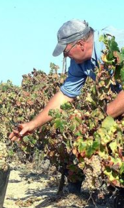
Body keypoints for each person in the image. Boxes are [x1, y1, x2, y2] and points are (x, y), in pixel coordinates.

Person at [9, 19, 124, 193]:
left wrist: (99, 121)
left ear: (80, 44)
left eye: (66, 51)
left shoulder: (116, 44)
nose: (65, 56)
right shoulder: (80, 62)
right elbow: (65, 95)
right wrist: (32, 124)